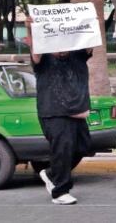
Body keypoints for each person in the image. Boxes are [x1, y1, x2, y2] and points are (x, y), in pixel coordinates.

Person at [26, 15, 94, 205]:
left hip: (76, 111)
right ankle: (60, 191)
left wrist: (91, 25)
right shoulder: (43, 58)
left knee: (83, 146)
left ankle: (50, 173)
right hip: (53, 112)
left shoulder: (77, 55)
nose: (61, 48)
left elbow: (89, 44)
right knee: (63, 149)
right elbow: (35, 53)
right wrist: (31, 29)